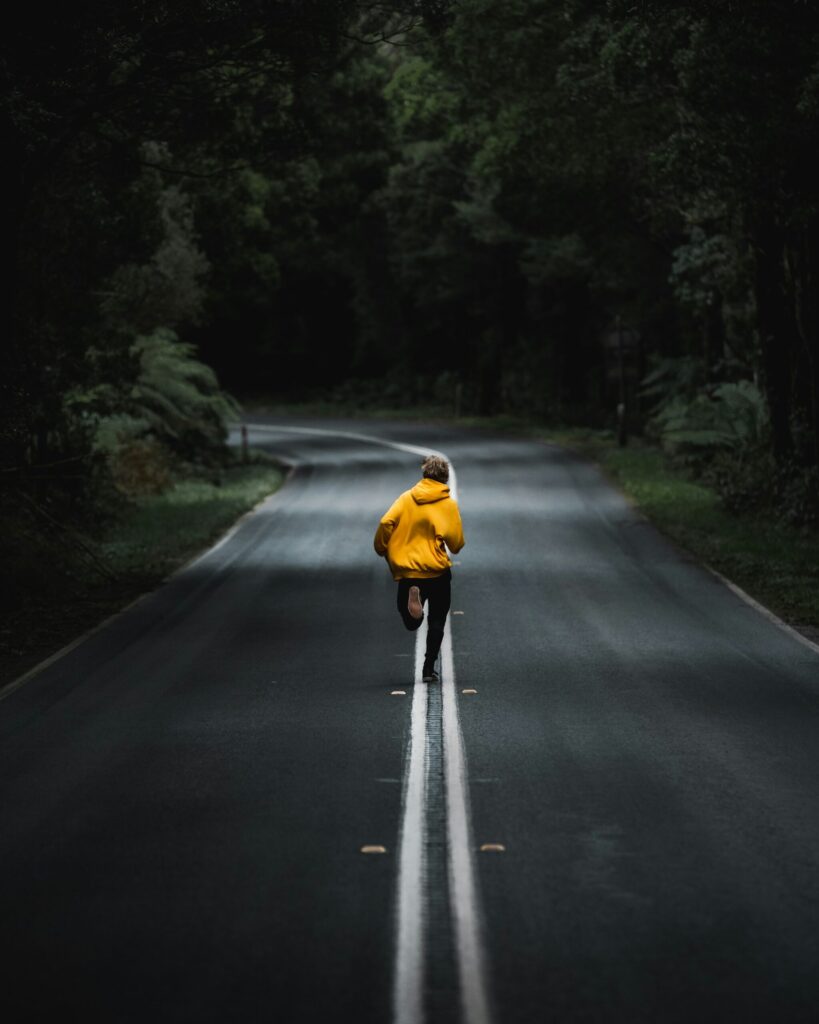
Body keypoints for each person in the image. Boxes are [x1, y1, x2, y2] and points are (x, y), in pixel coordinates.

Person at [373, 454, 465, 682]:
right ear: (444, 479)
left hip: (409, 572)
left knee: (410, 621)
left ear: (424, 474)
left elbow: (386, 522)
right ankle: (427, 669)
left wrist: (382, 547)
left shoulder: (406, 498)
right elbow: (456, 543)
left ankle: (415, 609)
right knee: (437, 621)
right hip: (437, 572)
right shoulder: (448, 505)